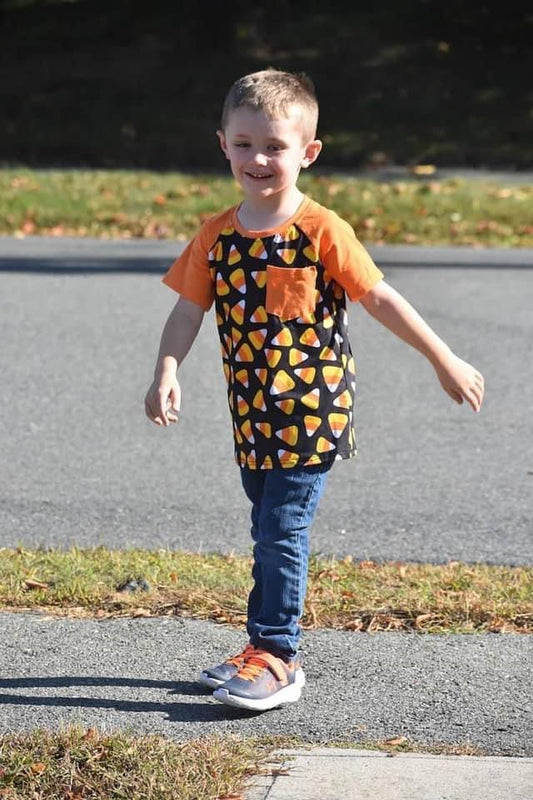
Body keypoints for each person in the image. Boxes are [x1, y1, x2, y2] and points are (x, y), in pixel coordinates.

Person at [144, 69, 484, 712]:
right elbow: (188, 310)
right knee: (265, 528)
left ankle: (278, 655)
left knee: (280, 529)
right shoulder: (215, 235)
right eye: (244, 144)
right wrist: (167, 369)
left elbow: (379, 296)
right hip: (251, 416)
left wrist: (443, 357)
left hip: (311, 411)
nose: (258, 159)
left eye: (274, 145)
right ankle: (260, 647)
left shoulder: (321, 228)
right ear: (222, 144)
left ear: (308, 152)